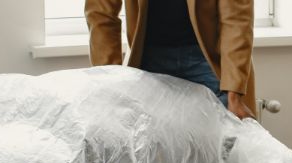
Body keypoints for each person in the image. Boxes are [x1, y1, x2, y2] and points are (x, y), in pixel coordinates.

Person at [86, 0, 257, 119]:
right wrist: (109, 83)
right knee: (151, 153)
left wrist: (234, 94)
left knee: (230, 146)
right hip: (148, 56)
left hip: (209, 56)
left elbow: (236, 17)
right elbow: (101, 13)